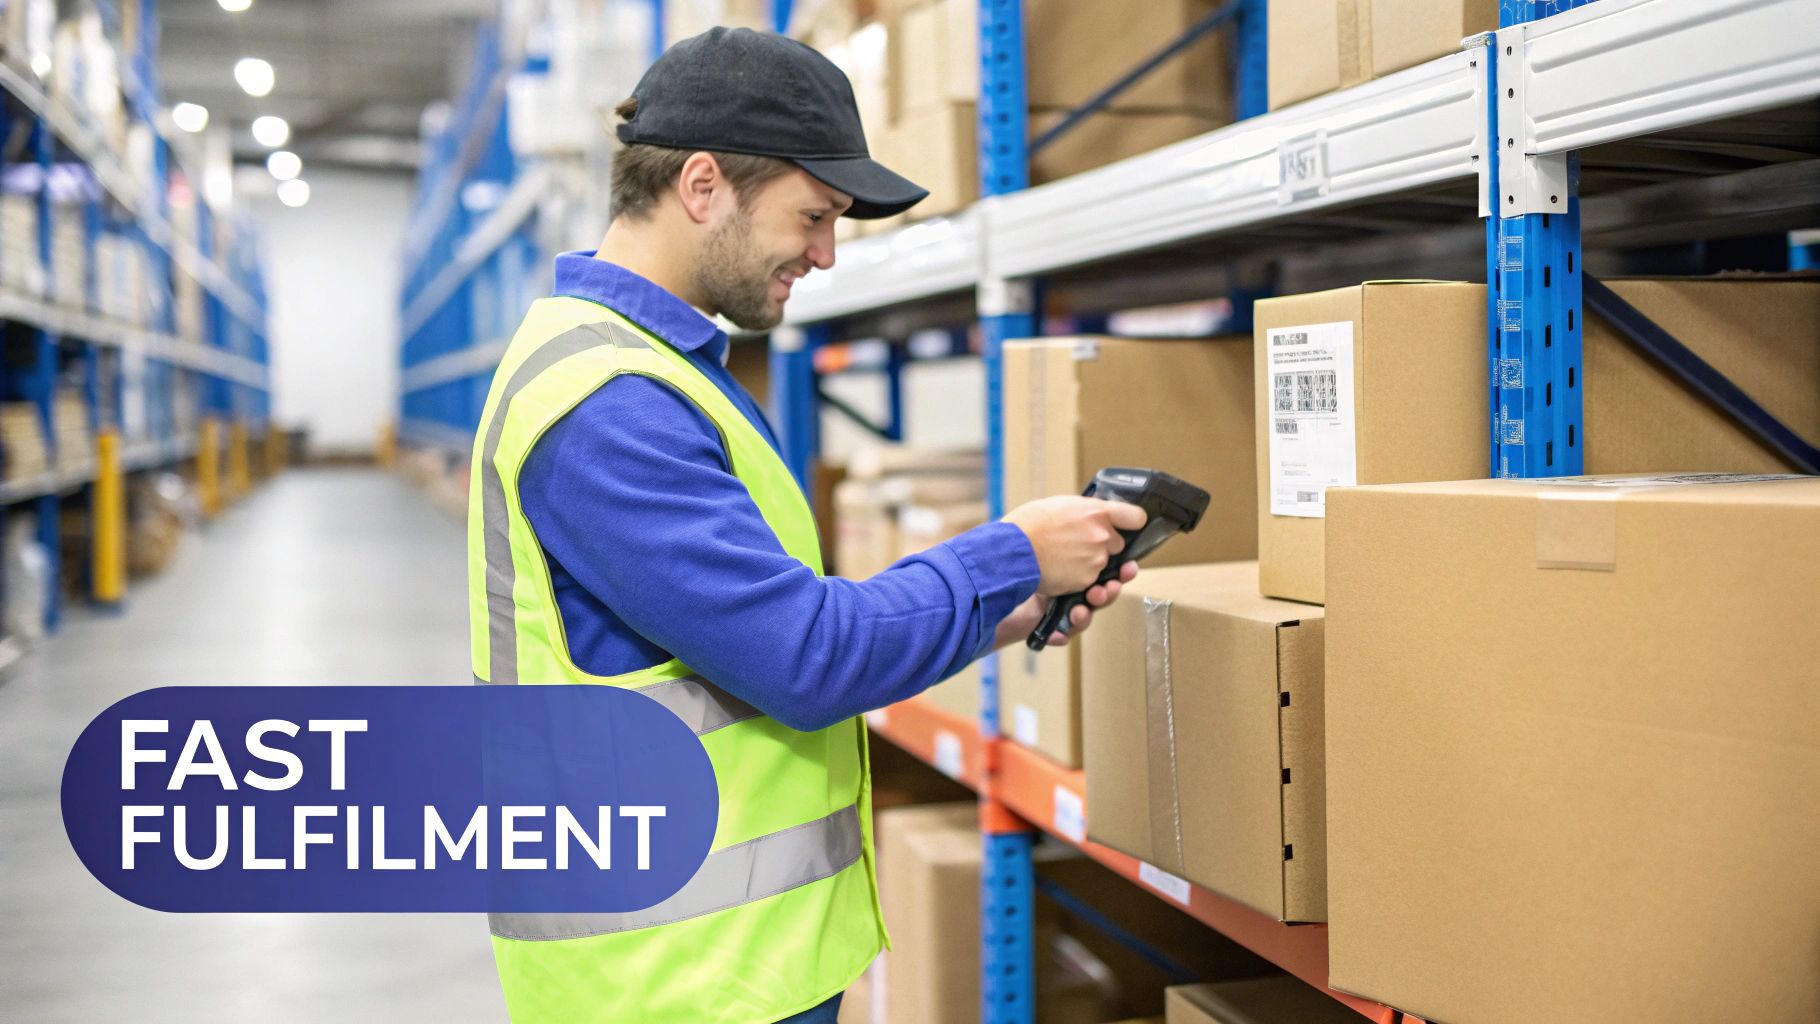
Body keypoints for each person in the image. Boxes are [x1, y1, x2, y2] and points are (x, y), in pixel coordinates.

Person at [466, 26, 1144, 1024]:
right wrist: (1010, 551)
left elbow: (745, 640)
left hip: (716, 961)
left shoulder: (657, 369)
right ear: (703, 186)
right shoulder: (606, 403)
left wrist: (1002, 604)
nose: (824, 254)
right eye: (812, 215)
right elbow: (803, 655)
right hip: (670, 981)